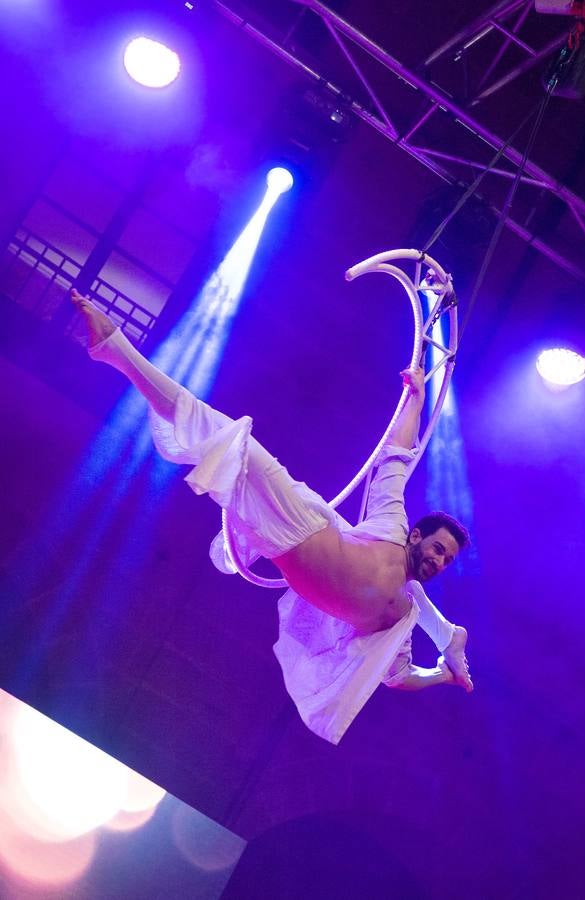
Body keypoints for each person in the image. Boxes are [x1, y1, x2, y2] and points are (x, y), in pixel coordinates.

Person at [71, 288, 473, 744]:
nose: (440, 561)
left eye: (447, 561)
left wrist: (443, 674)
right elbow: (395, 459)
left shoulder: (398, 617)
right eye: (439, 549)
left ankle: (452, 638)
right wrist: (416, 400)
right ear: (418, 536)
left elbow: (397, 678)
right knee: (227, 436)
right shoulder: (391, 528)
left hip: (281, 545)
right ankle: (115, 349)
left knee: (413, 600)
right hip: (304, 522)